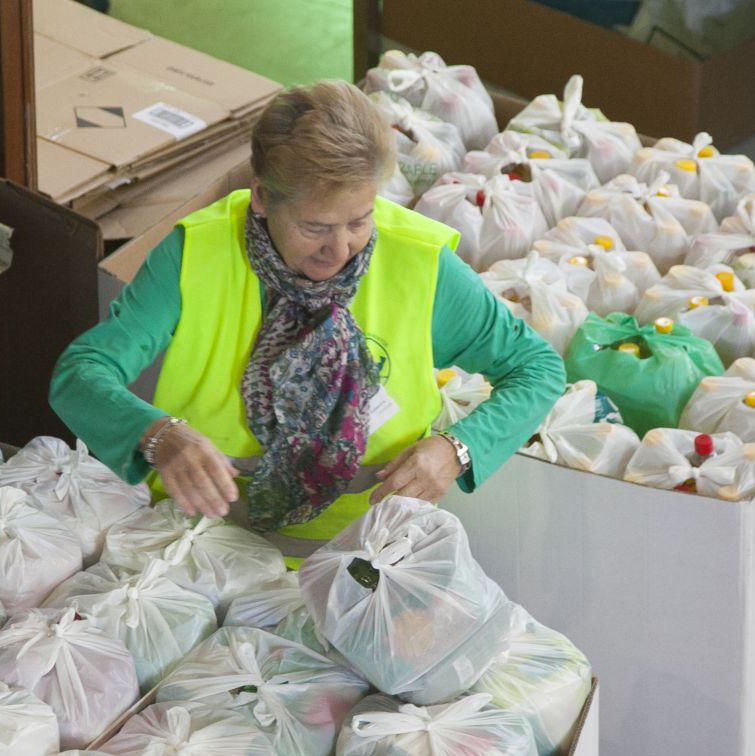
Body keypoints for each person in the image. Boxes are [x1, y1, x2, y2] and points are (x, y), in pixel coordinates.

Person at [49, 80, 563, 557]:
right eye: (315, 227)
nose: (339, 250)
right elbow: (80, 375)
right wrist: (158, 435)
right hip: (203, 547)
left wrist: (457, 449)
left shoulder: (420, 264)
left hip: (367, 555)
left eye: (360, 221)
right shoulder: (197, 255)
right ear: (262, 198)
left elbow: (537, 369)